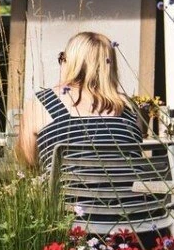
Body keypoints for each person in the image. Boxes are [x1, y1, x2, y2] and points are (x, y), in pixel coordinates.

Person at [18, 32, 145, 167]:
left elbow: (28, 163)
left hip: (66, 182)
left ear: (71, 63)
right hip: (130, 182)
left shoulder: (41, 104)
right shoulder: (128, 108)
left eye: (62, 57)